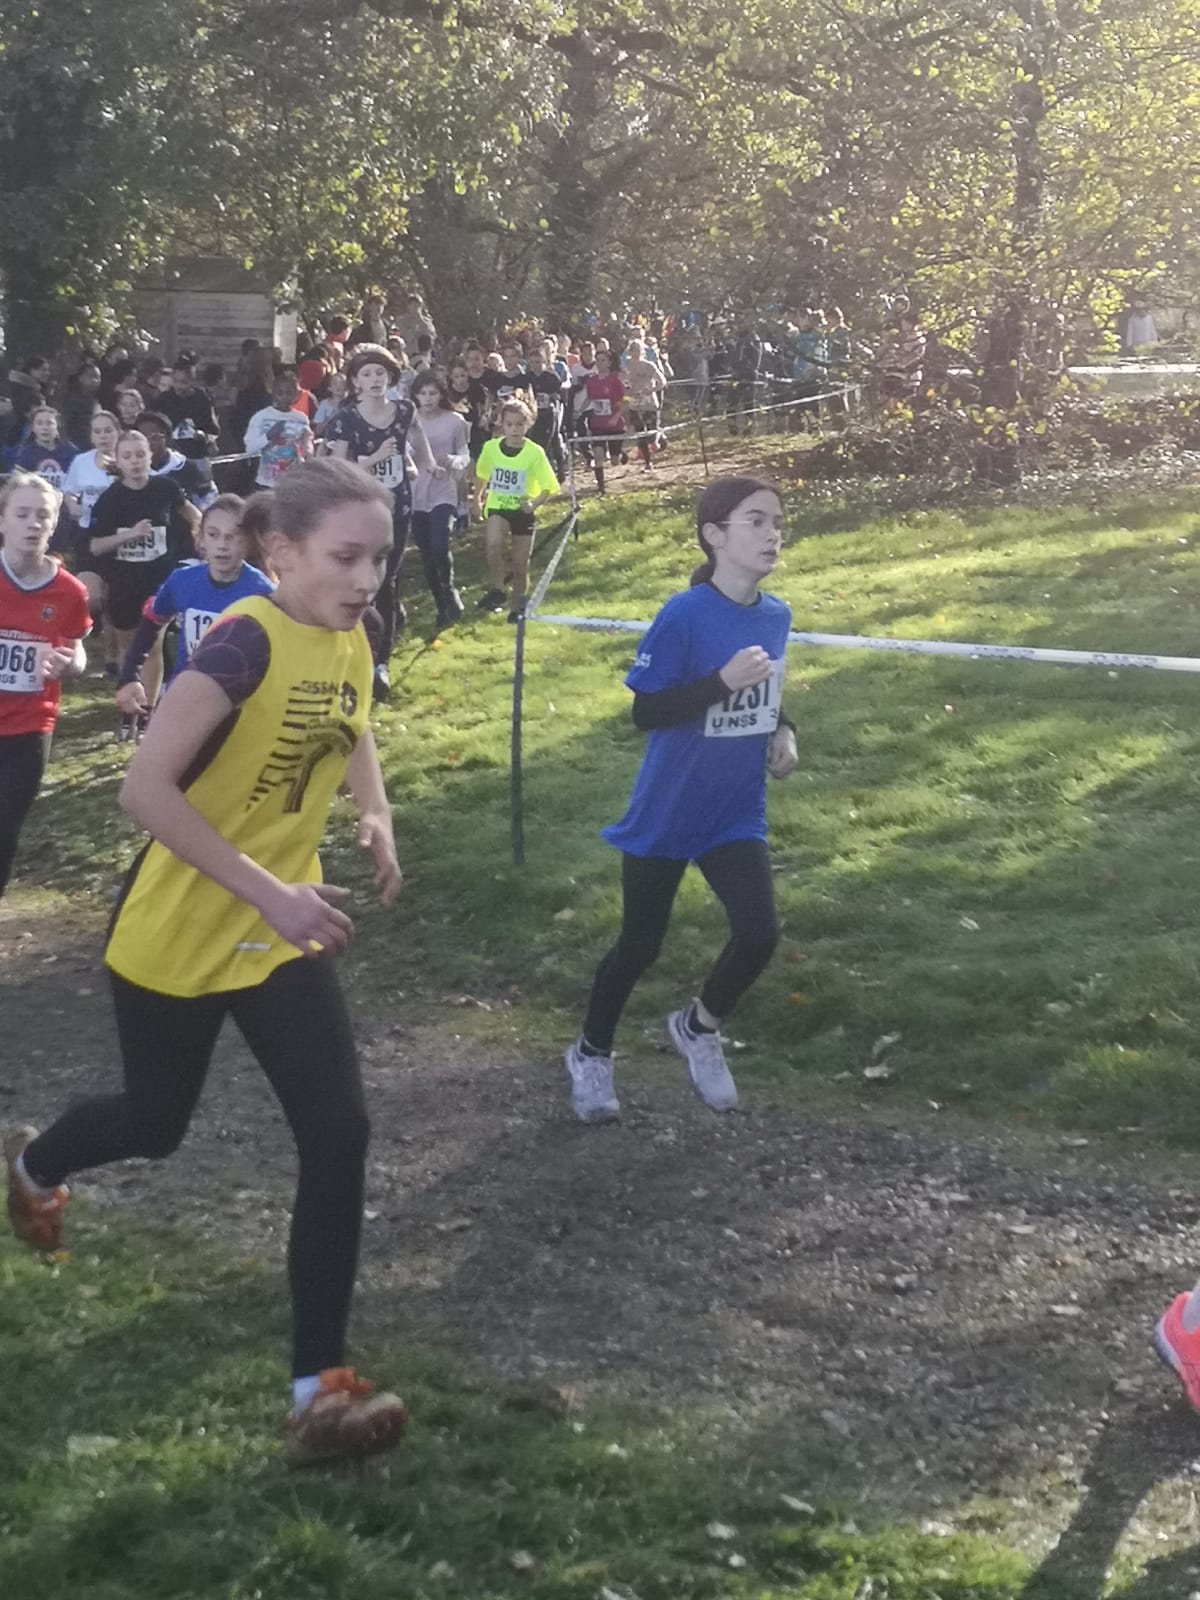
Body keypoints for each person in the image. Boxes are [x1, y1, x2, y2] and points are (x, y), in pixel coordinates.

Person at [3, 456, 409, 1469]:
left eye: (379, 558)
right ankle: (35, 1166)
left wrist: (374, 810)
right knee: (156, 1124)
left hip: (276, 933)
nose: (366, 578)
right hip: (177, 931)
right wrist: (271, 891)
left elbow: (352, 721)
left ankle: (318, 1393)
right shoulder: (240, 644)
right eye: (346, 557)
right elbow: (142, 792)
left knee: (339, 1131)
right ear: (282, 552)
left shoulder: (350, 633)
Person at [564, 477, 797, 1123]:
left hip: (735, 811)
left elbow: (766, 692)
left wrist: (784, 730)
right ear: (714, 535)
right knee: (640, 946)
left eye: (778, 522)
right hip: (668, 811)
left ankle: (698, 1026)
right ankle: (591, 1052)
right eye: (756, 521)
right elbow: (647, 711)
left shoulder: (776, 616)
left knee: (758, 935)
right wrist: (720, 681)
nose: (773, 534)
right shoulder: (684, 614)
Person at [323, 345, 438, 699]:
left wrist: (428, 462)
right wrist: (373, 459)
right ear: (355, 382)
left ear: (390, 378)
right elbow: (339, 468)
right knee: (357, 580)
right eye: (367, 374)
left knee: (387, 580)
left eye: (380, 373)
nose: (375, 380)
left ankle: (380, 664)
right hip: (359, 507)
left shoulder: (404, 410)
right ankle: (348, 649)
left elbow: (416, 432)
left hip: (396, 505)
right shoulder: (346, 419)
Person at [0, 472, 91, 898]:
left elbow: (77, 652)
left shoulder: (70, 591)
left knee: (4, 826)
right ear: (3, 520)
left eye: (42, 515)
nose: (33, 524)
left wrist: (70, 664)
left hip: (30, 725)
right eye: (22, 514)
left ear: (53, 524)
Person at [115, 494, 274, 718]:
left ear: (249, 542)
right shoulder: (182, 581)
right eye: (213, 535)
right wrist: (130, 675)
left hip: (239, 708)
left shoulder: (262, 592)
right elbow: (151, 623)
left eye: (232, 537)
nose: (222, 545)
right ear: (200, 539)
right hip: (185, 698)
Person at [88, 430, 201, 739]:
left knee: (152, 648)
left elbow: (192, 514)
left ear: (150, 456)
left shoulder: (166, 488)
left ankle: (147, 715)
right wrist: (130, 535)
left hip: (159, 582)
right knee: (130, 651)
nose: (135, 461)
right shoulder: (110, 499)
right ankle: (128, 711)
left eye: (140, 454)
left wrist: (205, 531)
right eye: (127, 456)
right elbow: (95, 546)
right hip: (125, 584)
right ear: (118, 461)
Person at [472, 397, 558, 621]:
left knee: (520, 564)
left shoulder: (535, 452)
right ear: (501, 424)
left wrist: (533, 504)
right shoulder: (491, 448)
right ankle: (498, 590)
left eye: (520, 424)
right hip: (498, 506)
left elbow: (549, 487)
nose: (515, 429)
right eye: (509, 424)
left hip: (522, 512)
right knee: (493, 545)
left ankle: (518, 605)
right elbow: (482, 475)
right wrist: (476, 500)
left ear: (528, 424)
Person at [62, 410, 120, 674]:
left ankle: (111, 659)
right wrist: (73, 505)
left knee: (114, 600)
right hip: (88, 534)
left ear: (117, 432)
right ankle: (83, 633)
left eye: (108, 430)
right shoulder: (81, 462)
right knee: (92, 596)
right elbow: (69, 492)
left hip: (120, 535)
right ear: (92, 436)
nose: (103, 436)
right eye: (98, 431)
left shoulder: (127, 460)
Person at [409, 373, 469, 629]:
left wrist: (455, 461)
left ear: (442, 394)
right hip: (416, 492)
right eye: (423, 393)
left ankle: (449, 588)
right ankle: (441, 604)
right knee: (426, 552)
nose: (428, 398)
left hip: (444, 490)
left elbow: (465, 454)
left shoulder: (455, 421)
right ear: (415, 396)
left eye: (433, 393)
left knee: (439, 543)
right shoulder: (409, 421)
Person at [243, 371, 315, 490]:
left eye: (289, 393)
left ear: (296, 394)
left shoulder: (301, 418)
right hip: (266, 482)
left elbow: (307, 445)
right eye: (280, 393)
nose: (284, 397)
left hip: (292, 481)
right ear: (273, 393)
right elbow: (249, 449)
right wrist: (268, 436)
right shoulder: (261, 417)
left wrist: (308, 446)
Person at [137, 410, 217, 509]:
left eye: (154, 437)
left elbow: (208, 497)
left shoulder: (187, 467)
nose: (148, 443)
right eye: (142, 438)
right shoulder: (133, 471)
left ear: (167, 438)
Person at [582, 348, 628, 493]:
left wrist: (616, 416)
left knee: (614, 461)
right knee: (598, 455)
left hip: (614, 424)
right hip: (598, 423)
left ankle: (620, 453)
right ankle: (601, 488)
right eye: (598, 360)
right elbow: (589, 398)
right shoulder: (591, 381)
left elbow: (626, 400)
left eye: (603, 360)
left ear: (609, 363)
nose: (600, 363)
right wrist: (579, 411)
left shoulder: (615, 380)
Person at [157, 358, 219, 459]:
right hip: (171, 455)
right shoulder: (163, 399)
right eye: (175, 381)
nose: (178, 386)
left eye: (183, 382)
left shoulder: (201, 398)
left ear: (192, 380)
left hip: (197, 454)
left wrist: (203, 436)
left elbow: (213, 430)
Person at [526, 342, 568, 478]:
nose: (535, 365)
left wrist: (550, 397)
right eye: (532, 362)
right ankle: (541, 470)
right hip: (534, 414)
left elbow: (560, 394)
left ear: (544, 361)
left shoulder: (551, 377)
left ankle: (559, 466)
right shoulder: (528, 378)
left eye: (538, 362)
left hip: (549, 413)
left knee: (552, 439)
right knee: (535, 440)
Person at [14, 406, 78, 496]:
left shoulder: (70, 450)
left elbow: (78, 480)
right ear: (33, 428)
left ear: (57, 426)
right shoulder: (25, 452)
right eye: (39, 423)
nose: (45, 428)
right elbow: (19, 483)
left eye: (49, 423)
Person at [623, 338, 665, 470]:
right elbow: (621, 385)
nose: (636, 352)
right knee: (640, 434)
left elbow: (662, 381)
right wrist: (628, 393)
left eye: (638, 349)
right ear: (629, 351)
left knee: (651, 434)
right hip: (635, 404)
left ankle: (659, 437)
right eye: (633, 349)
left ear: (643, 351)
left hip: (649, 403)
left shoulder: (649, 365)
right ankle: (648, 462)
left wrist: (652, 390)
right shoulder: (626, 368)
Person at [62, 359, 102, 450]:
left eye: (98, 377)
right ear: (81, 378)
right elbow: (67, 425)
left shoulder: (94, 399)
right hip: (79, 446)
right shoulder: (73, 399)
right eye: (91, 376)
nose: (96, 380)